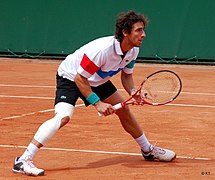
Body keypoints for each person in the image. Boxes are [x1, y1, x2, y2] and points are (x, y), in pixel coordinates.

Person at [12, 10, 176, 176]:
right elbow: (80, 79)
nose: (143, 35)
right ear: (125, 32)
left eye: (143, 30)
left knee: (124, 111)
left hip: (97, 80)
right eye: (138, 30)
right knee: (63, 117)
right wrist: (97, 103)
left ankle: (147, 150)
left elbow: (126, 75)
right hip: (71, 77)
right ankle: (23, 160)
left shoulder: (133, 50)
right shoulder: (102, 51)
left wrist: (133, 91)